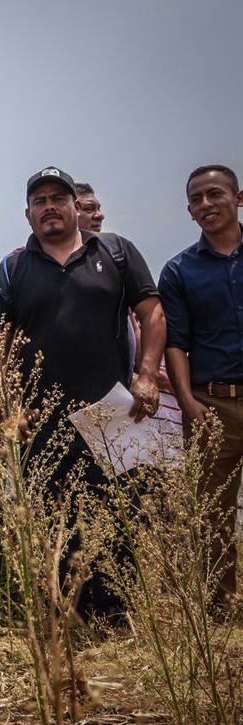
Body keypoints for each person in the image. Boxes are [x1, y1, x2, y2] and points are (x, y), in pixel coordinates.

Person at [0, 166, 164, 620]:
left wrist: (147, 375)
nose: (49, 207)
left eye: (58, 198)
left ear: (75, 205)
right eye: (40, 201)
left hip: (111, 412)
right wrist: (11, 406)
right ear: (27, 214)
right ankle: (67, 614)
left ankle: (116, 616)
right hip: (41, 419)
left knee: (120, 516)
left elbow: (151, 312)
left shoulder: (115, 251)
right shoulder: (13, 267)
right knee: (54, 519)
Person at [159, 164, 243, 609]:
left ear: (238, 198)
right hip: (213, 405)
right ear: (189, 211)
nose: (206, 204)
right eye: (196, 199)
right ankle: (223, 612)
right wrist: (188, 401)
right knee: (212, 515)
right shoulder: (178, 270)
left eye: (215, 194)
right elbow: (176, 342)